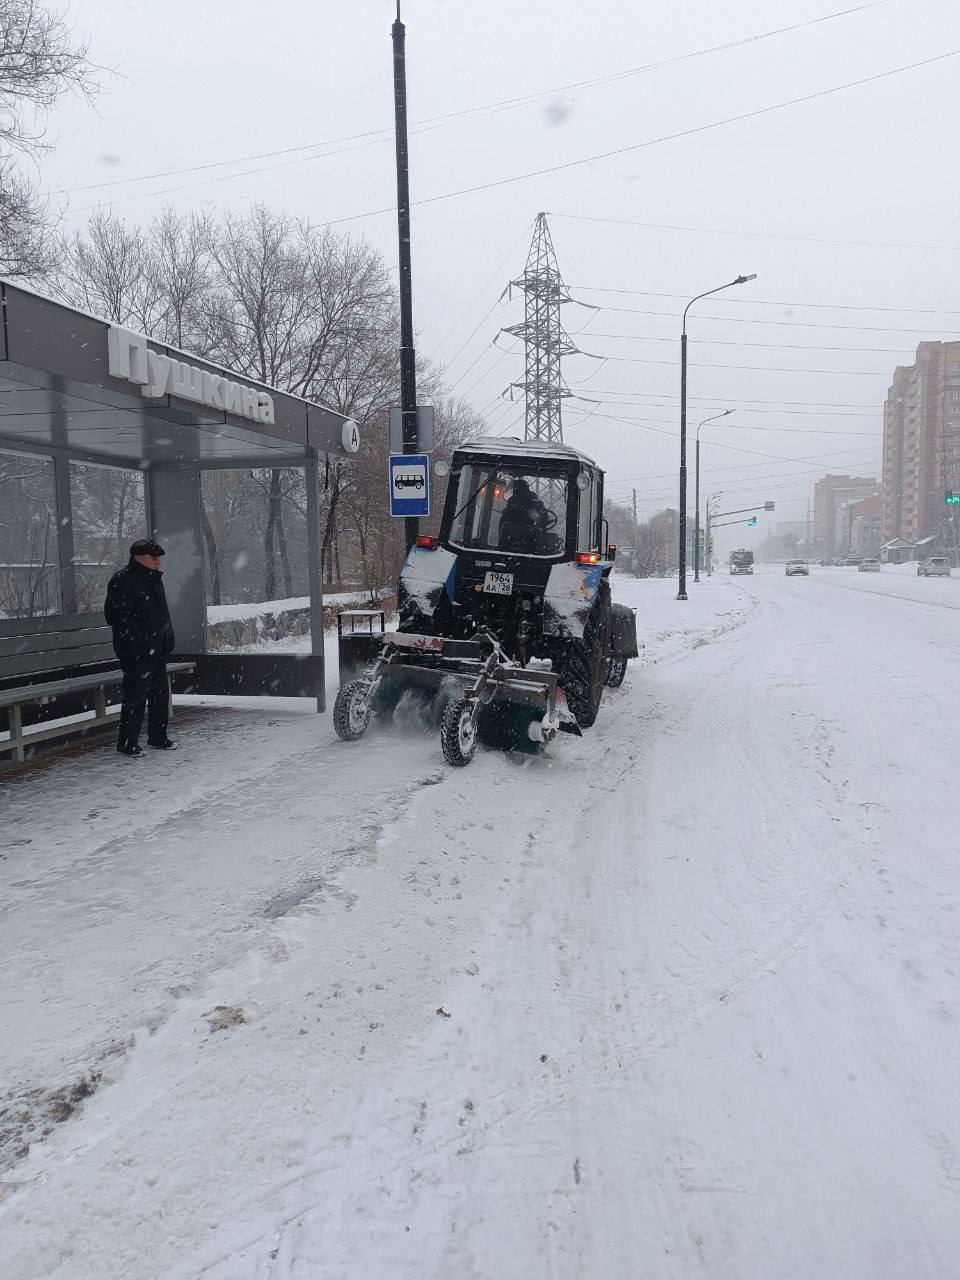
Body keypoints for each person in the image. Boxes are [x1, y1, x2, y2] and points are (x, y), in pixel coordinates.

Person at [104, 539, 177, 756]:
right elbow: (116, 616)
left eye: (158, 557)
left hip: (157, 649)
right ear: (138, 557)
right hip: (135, 652)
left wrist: (166, 639)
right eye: (153, 557)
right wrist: (140, 642)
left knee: (159, 694)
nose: (158, 561)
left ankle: (158, 737)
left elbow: (161, 614)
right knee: (135, 696)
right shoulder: (122, 580)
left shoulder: (154, 580)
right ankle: (127, 743)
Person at [498, 477, 554, 553]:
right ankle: (543, 551)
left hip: (509, 541)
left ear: (515, 489)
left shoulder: (512, 500)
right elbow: (543, 517)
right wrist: (543, 520)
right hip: (530, 540)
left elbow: (503, 519)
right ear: (527, 487)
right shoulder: (534, 499)